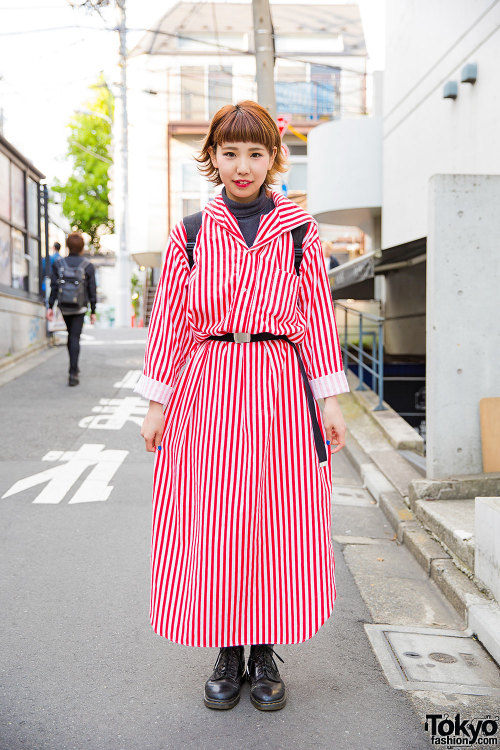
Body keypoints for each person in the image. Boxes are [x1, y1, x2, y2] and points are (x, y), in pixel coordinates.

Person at [135, 101, 349, 712]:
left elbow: (316, 320)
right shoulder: (193, 234)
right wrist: (156, 403)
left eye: (255, 153)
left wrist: (329, 398)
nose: (242, 165)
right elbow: (170, 318)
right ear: (213, 158)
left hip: (282, 388)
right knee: (214, 523)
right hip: (211, 386)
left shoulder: (300, 231)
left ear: (273, 158)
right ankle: (227, 648)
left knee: (276, 524)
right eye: (230, 153)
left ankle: (263, 654)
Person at [46, 232, 97, 386]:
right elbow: (92, 290)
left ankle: (73, 368)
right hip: (80, 307)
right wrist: (93, 310)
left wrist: (50, 306)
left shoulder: (58, 264)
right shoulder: (87, 266)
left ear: (68, 246)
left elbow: (54, 287)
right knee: (75, 337)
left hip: (64, 306)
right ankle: (73, 372)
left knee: (70, 335)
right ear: (82, 247)